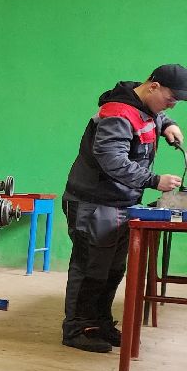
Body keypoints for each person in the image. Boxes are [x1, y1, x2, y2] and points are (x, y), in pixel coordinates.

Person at [60, 65, 186, 352]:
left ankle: (100, 322)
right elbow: (111, 159)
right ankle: (77, 328)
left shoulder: (141, 102)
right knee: (90, 268)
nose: (172, 104)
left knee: (112, 268)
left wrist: (167, 123)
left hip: (119, 202)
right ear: (153, 86)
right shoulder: (117, 113)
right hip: (94, 203)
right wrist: (154, 180)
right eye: (170, 99)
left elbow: (151, 114)